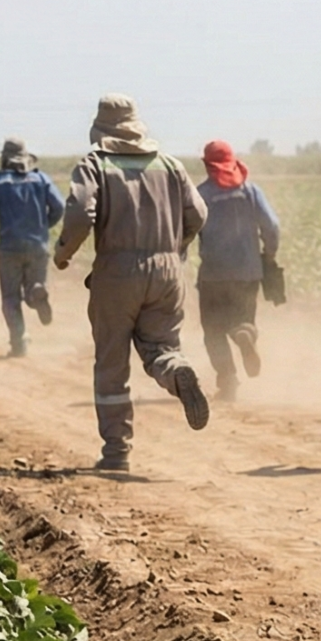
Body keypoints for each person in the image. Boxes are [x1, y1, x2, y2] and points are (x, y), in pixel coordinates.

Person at [53, 95, 209, 471]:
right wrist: (175, 248)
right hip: (168, 269)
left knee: (111, 362)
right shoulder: (169, 165)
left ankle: (116, 451)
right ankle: (176, 373)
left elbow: (80, 213)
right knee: (161, 346)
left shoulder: (95, 165)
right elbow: (198, 214)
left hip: (118, 270)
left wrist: (63, 252)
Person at [193, 140, 283, 402]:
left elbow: (185, 231)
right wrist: (269, 253)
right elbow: (272, 226)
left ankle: (228, 380)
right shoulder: (250, 191)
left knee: (213, 329)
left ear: (207, 164)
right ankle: (244, 332)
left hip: (213, 274)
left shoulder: (201, 195)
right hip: (248, 272)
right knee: (243, 318)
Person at [0, 138, 66, 357]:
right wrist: (44, 225)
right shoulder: (41, 179)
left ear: (4, 157)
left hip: (9, 248)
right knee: (33, 286)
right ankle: (36, 293)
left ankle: (19, 341)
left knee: (10, 298)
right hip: (38, 246)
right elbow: (59, 207)